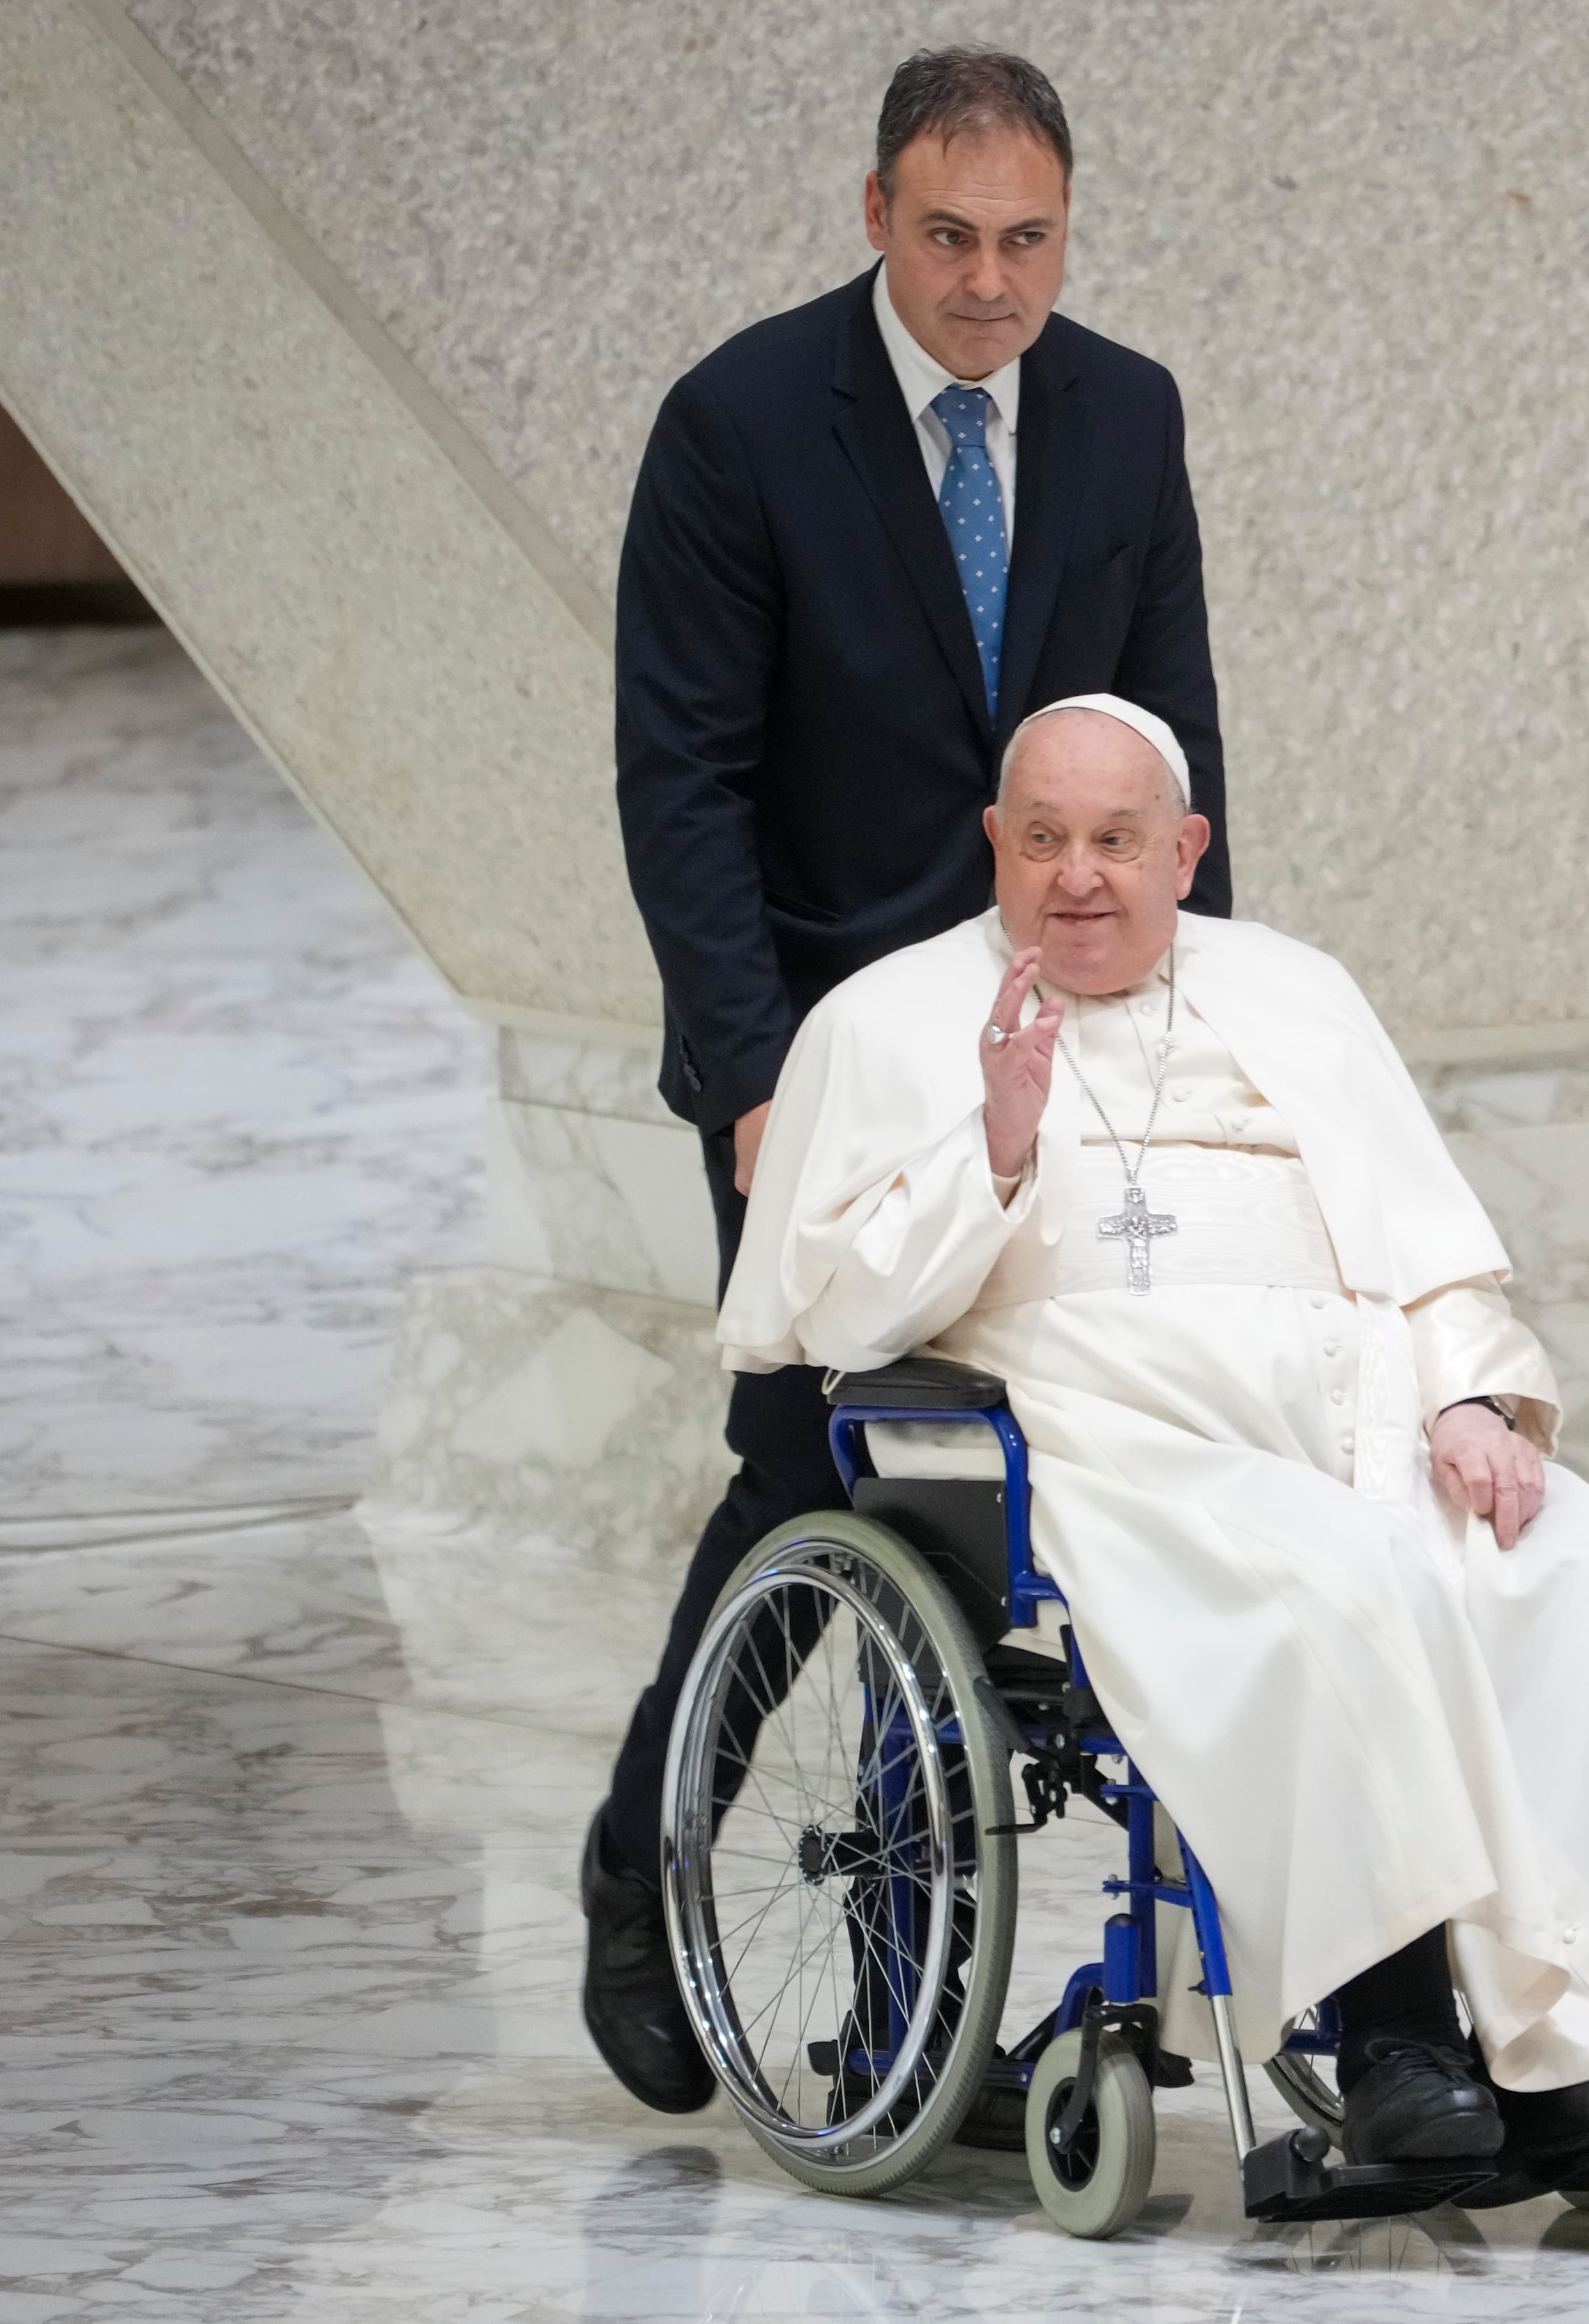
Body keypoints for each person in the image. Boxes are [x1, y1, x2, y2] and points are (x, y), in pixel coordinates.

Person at [716, 696, 1589, 2169]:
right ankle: (1401, 2029)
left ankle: (1581, 2030)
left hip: (1357, 1419)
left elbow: (1426, 1246)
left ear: (1185, 849)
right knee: (1344, 1580)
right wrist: (996, 1141)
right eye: (1042, 840)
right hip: (1103, 1445)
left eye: (1115, 840)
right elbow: (832, 1313)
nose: (1078, 874)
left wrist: (1464, 1391)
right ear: (993, 847)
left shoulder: (1297, 988)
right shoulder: (888, 1018)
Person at [587, 48, 1230, 2114]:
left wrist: (1217, 1036)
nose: (987, 284)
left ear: (1069, 229)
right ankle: (645, 1871)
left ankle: (898, 2000)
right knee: (814, 1464)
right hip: (831, 1044)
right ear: (876, 216)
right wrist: (750, 1080)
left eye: (1027, 240)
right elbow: (680, 779)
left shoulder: (1124, 415)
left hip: (1061, 1017)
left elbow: (1170, 755)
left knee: (1003, 1492)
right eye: (947, 238)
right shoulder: (742, 426)